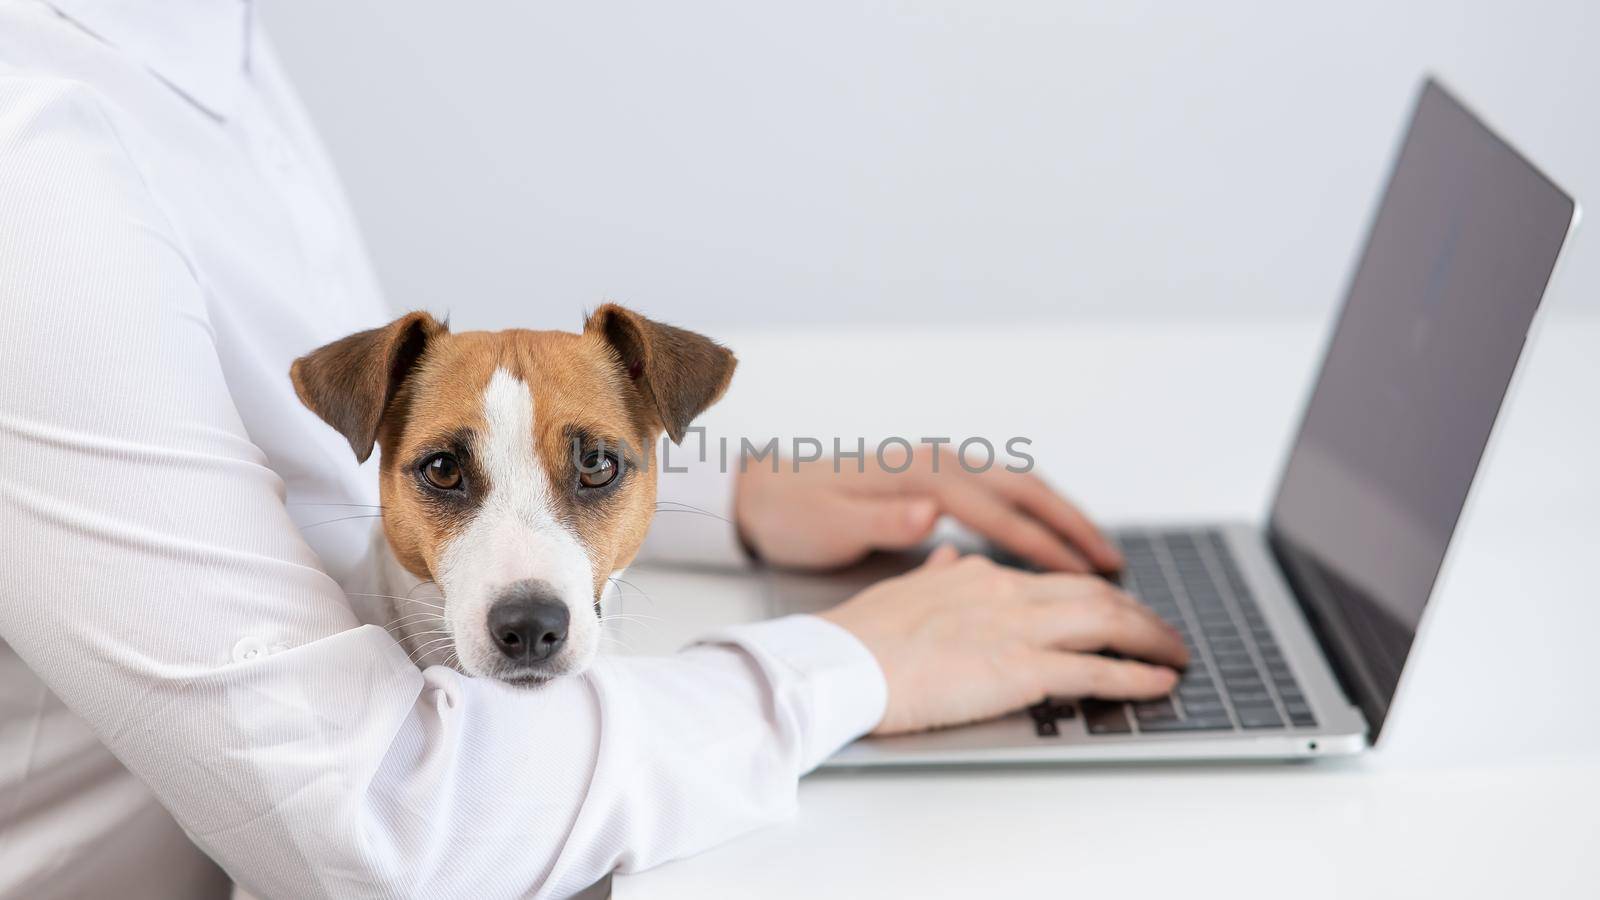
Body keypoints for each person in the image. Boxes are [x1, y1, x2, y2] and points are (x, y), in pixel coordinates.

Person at [0, 3, 1185, 897]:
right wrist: (852, 666)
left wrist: (731, 491)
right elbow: (377, 820)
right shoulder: (33, 156)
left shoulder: (205, 41)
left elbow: (352, 446)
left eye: (600, 474)